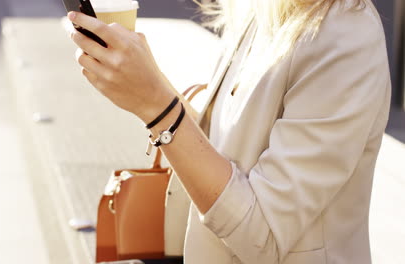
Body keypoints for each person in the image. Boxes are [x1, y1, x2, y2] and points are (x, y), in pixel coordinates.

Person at [67, 0, 391, 263]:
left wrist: (156, 106)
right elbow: (221, 148)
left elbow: (261, 236)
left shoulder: (344, 34)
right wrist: (144, 82)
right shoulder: (261, 12)